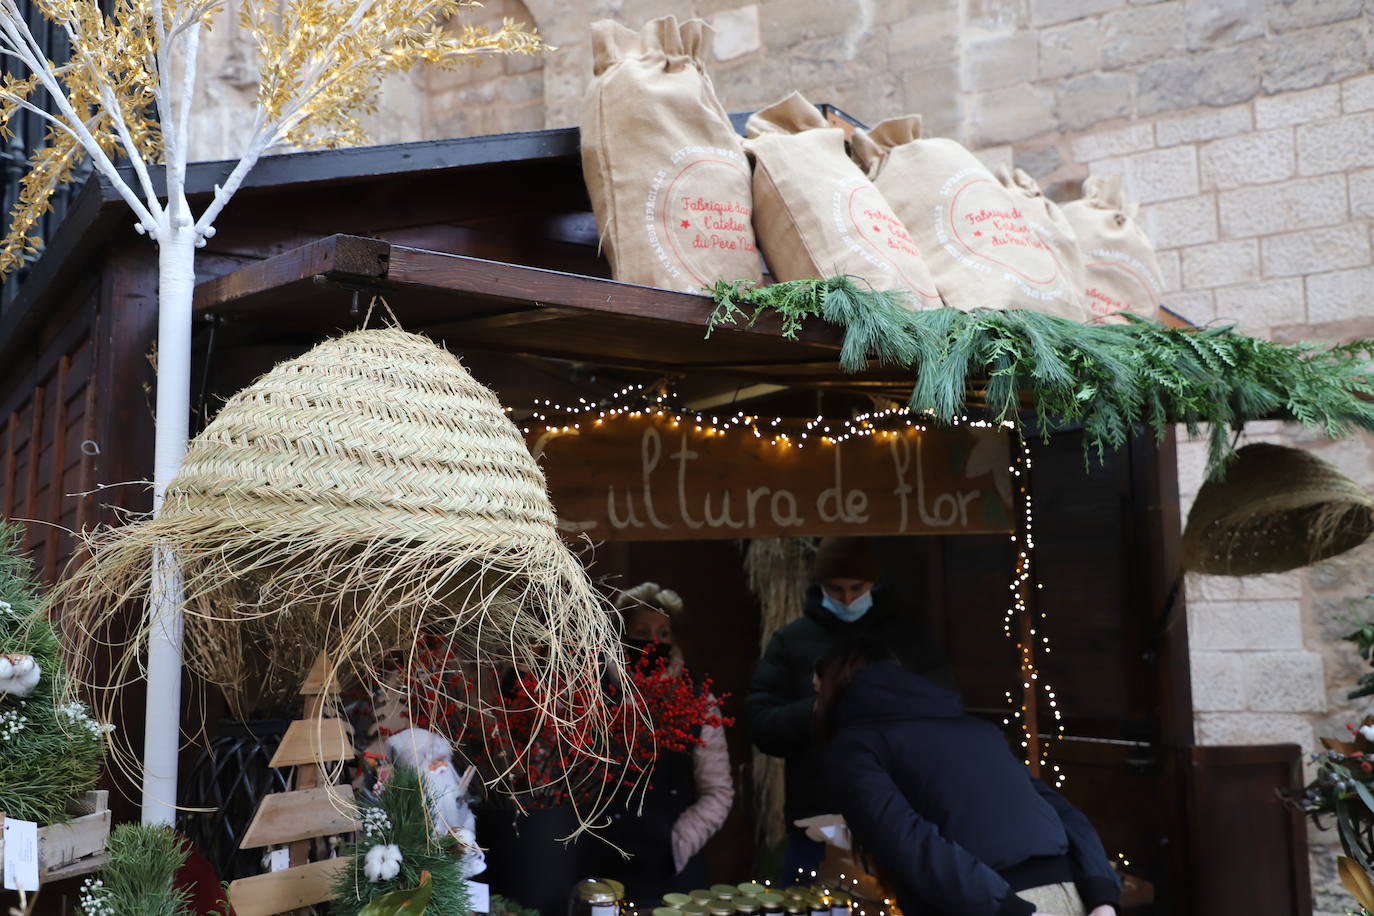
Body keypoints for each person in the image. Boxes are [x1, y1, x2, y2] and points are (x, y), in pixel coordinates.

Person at [816, 639, 1120, 916]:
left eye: (817, 694)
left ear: (837, 690)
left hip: (990, 907)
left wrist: (1007, 909)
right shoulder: (976, 730)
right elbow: (1065, 813)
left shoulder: (854, 747)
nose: (815, 707)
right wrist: (1101, 899)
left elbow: (908, 841)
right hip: (1071, 899)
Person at [746, 536, 953, 880]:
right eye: (835, 588)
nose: (846, 598)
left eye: (856, 588)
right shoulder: (790, 641)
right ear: (820, 585)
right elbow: (762, 725)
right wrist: (821, 707)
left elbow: (944, 711)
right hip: (816, 820)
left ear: (874, 584)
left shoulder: (909, 640)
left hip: (897, 816)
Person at [589, 581, 734, 905]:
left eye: (663, 634)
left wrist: (678, 843)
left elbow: (718, 790)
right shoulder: (593, 696)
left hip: (672, 870)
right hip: (600, 862)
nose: (653, 643)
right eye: (641, 632)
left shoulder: (697, 699)